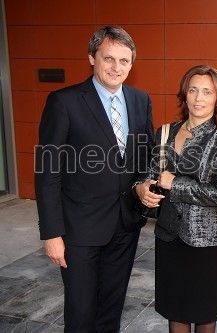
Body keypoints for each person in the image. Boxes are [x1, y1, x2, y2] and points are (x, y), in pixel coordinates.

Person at [35, 26, 154, 332]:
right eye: (109, 58)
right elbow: (48, 172)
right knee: (81, 312)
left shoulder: (141, 100)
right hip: (78, 230)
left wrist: (145, 183)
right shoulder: (64, 102)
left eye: (124, 61)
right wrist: (52, 233)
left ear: (132, 63)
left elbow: (144, 157)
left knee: (111, 309)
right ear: (92, 58)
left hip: (125, 225)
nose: (117, 67)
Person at [134, 65, 217, 333]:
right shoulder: (165, 132)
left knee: (205, 315)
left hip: (208, 243)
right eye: (193, 90)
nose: (198, 98)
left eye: (207, 91)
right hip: (169, 237)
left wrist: (176, 184)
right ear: (185, 94)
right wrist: (142, 188)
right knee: (176, 312)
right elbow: (150, 174)